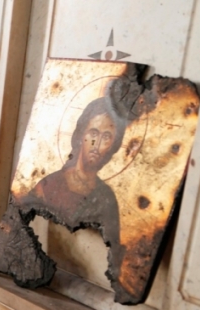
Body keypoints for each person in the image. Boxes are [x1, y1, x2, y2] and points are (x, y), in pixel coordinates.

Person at [19, 96, 126, 257]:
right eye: (93, 133)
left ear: (113, 145)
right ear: (80, 136)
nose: (96, 145)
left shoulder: (107, 198)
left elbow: (113, 251)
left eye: (106, 137)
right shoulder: (49, 185)